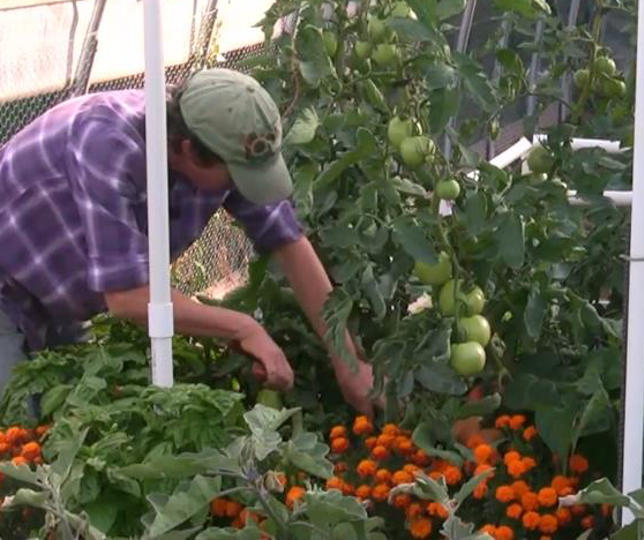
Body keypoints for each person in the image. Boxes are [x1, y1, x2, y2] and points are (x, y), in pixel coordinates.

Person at [0, 68, 377, 416]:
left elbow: (290, 242)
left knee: (59, 431)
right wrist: (243, 328)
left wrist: (349, 362)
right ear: (185, 150)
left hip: (58, 305)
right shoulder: (107, 142)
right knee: (14, 437)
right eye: (235, 176)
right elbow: (127, 297)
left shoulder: (220, 136)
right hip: (6, 290)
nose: (242, 187)